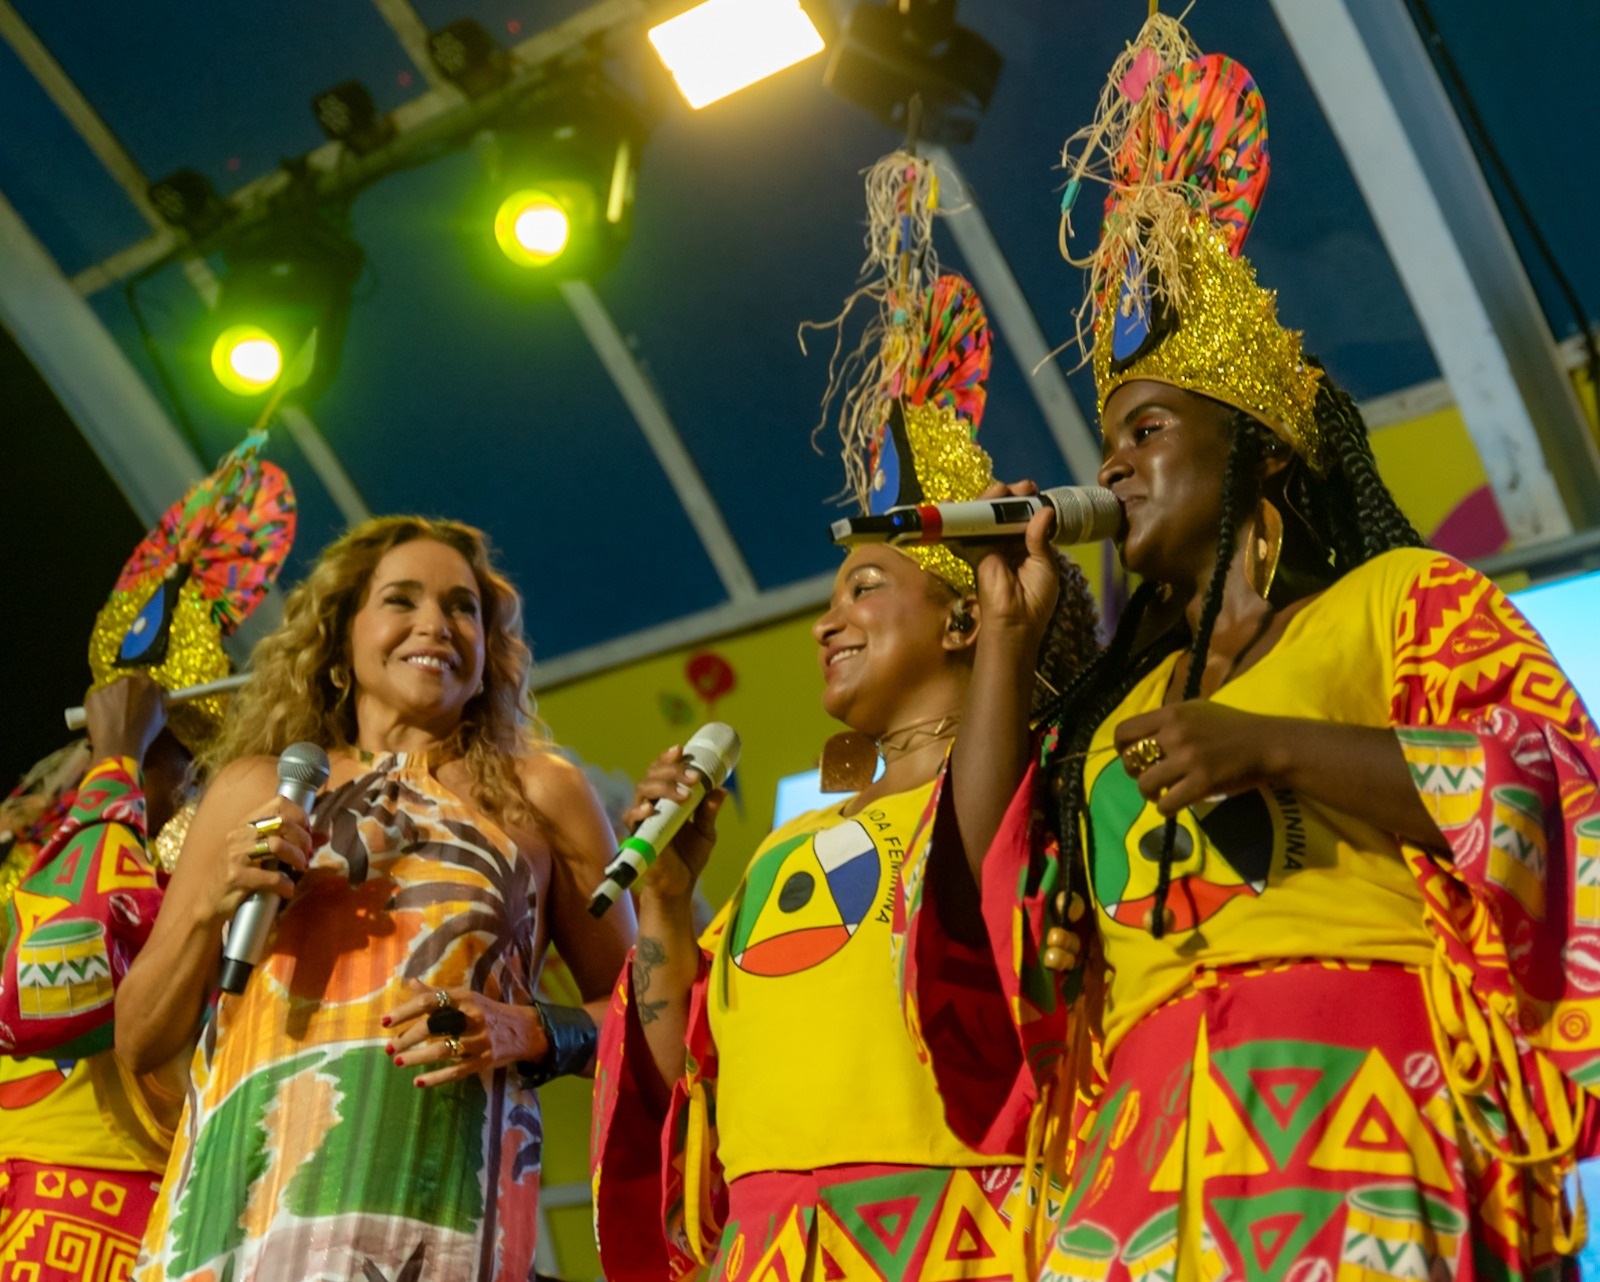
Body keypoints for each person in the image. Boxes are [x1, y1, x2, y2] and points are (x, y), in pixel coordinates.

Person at [903, 18, 1600, 1281]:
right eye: (1107, 437)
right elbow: (979, 895)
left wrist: (1272, 741)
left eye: (1149, 427)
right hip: (1143, 1142)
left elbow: (1542, 796)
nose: (1111, 461)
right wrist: (1005, 638)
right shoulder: (1120, 705)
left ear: (1262, 454)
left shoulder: (1399, 599)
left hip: (1360, 1104)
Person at [589, 253, 1103, 1280]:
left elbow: (987, 918)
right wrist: (667, 908)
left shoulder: (1037, 806)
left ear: (967, 613)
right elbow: (679, 1085)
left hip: (954, 1239)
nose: (828, 620)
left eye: (866, 585)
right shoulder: (784, 848)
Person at [118, 515, 635, 1282]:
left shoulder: (543, 795)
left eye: (463, 607)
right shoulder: (254, 790)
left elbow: (647, 1013)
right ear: (341, 639)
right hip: (244, 1219)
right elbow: (138, 1040)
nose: (436, 623)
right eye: (403, 600)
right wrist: (206, 908)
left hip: (439, 1219)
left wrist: (526, 1028)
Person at [1, 435, 295, 1282]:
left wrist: (113, 764)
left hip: (128, 1205)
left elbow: (65, 993)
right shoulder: (46, 839)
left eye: (160, 751)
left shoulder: (217, 859)